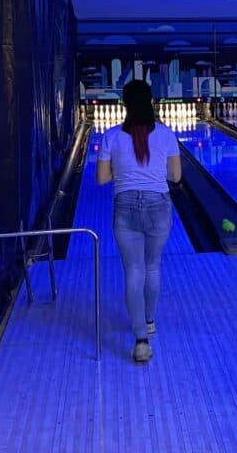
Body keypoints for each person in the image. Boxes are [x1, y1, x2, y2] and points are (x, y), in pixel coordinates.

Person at [96, 80, 181, 363]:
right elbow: (175, 176)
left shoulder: (110, 136)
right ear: (151, 102)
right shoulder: (166, 134)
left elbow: (102, 178)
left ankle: (141, 340)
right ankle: (149, 321)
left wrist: (123, 172)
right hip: (158, 205)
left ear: (124, 105)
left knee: (133, 270)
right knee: (152, 266)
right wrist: (152, 171)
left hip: (125, 205)